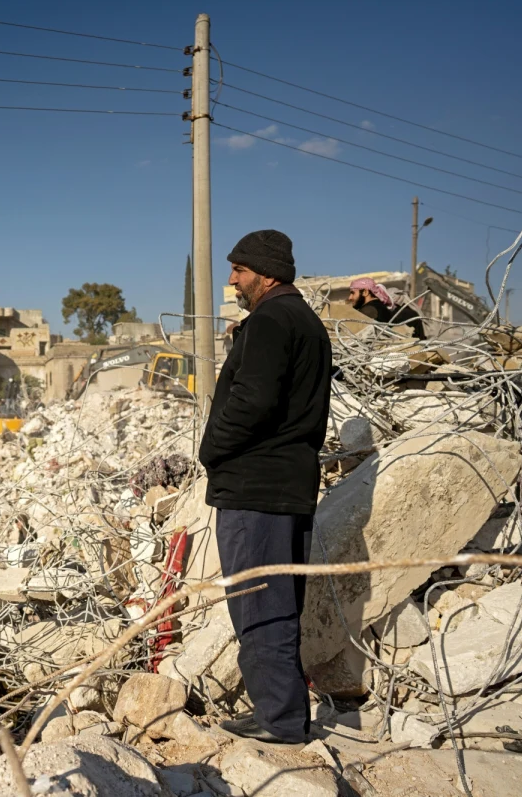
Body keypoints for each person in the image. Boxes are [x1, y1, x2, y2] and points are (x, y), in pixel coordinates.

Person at [198, 229, 331, 745]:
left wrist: (212, 450)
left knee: (260, 604)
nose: (232, 279)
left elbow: (252, 403)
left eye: (240, 270)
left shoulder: (272, 321)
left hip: (258, 490)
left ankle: (278, 722)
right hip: (287, 485)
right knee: (278, 603)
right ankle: (278, 711)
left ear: (267, 273)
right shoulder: (302, 321)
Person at [347, 277, 426, 340]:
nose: (350, 297)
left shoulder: (368, 310)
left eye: (353, 293)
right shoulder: (380, 306)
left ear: (365, 292)